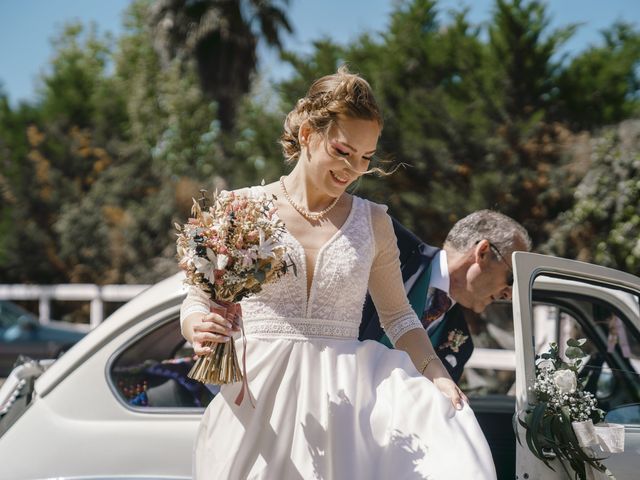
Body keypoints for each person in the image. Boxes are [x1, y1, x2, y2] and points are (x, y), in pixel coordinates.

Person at [180, 66, 497, 479]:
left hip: (346, 405)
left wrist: (436, 375)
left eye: (365, 158)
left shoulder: (374, 223)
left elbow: (399, 318)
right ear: (309, 134)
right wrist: (197, 327)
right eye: (343, 151)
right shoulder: (240, 206)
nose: (353, 169)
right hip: (256, 398)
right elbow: (196, 297)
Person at [360, 212, 532, 382]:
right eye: (512, 278)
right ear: (483, 252)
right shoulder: (391, 242)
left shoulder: (463, 346)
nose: (509, 294)